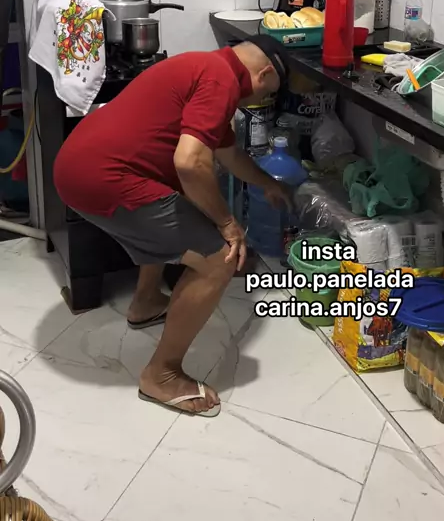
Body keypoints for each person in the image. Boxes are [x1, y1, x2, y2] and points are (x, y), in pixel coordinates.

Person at [54, 36, 292, 417]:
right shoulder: (221, 80)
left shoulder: (205, 65)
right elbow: (190, 162)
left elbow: (227, 154)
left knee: (176, 196)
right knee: (219, 259)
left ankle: (146, 301)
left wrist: (267, 183)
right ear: (263, 74)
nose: (258, 101)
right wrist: (228, 224)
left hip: (76, 164)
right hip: (101, 176)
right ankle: (161, 375)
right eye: (267, 93)